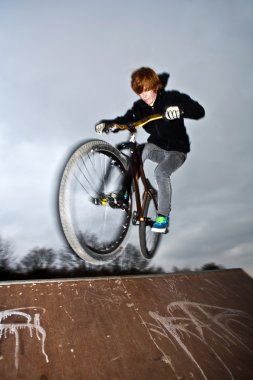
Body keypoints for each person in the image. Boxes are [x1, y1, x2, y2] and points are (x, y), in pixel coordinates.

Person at [95, 67, 205, 233]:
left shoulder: (172, 97)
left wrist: (180, 110)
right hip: (157, 147)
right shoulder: (139, 107)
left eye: (147, 90)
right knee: (138, 151)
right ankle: (124, 195)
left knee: (161, 172)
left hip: (177, 152)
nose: (144, 95)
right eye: (140, 92)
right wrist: (109, 123)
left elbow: (198, 110)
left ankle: (163, 216)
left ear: (155, 86)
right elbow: (125, 120)